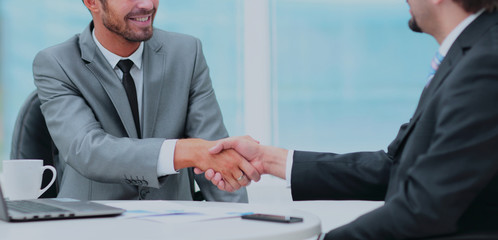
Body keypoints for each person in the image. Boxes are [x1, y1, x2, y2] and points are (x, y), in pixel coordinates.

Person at [200, 0, 498, 239]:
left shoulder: (485, 62)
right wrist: (268, 160)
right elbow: (393, 167)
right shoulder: (467, 55)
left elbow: (425, 206)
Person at [32, 0, 257, 202]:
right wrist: (187, 151)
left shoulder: (187, 53)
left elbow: (216, 157)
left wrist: (243, 225)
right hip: (94, 226)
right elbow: (88, 151)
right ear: (92, 2)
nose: (148, 5)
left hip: (177, 227)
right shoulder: (57, 63)